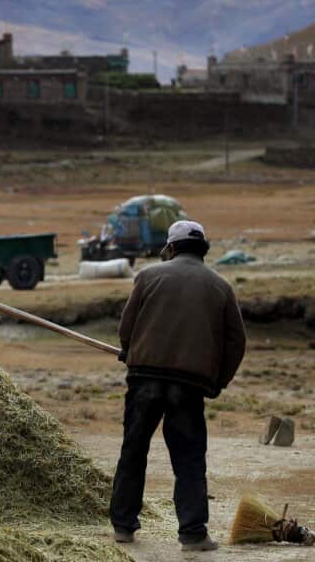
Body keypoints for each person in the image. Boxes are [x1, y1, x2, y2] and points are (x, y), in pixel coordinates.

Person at [111, 220, 246, 552]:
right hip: (189, 384)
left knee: (133, 451)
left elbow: (126, 327)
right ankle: (193, 534)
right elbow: (236, 342)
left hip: (144, 378)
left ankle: (123, 527)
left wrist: (130, 352)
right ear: (202, 250)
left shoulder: (147, 276)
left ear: (170, 248)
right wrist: (218, 382)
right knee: (188, 458)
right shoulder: (220, 286)